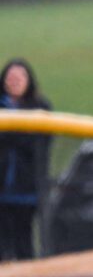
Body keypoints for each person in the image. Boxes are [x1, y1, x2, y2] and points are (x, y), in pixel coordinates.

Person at [0, 59, 52, 260]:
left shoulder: (40, 107)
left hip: (28, 185)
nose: (15, 81)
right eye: (10, 77)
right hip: (3, 184)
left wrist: (11, 134)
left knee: (24, 236)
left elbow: (39, 143)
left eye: (20, 77)